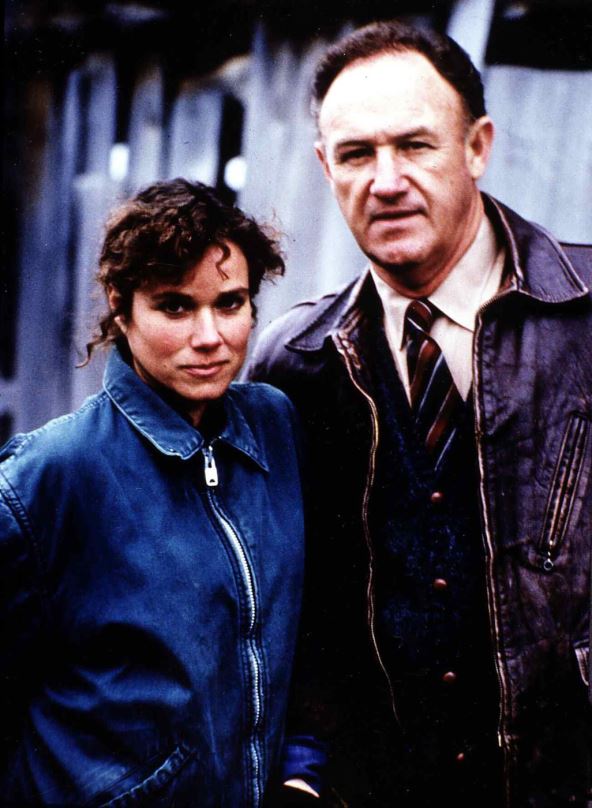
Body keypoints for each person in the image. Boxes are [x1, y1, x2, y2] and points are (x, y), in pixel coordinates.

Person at [246, 20, 592, 808]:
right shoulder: (292, 366)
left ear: (478, 147)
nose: (386, 180)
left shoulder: (584, 317)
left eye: (415, 146)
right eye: (356, 154)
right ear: (325, 166)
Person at [0, 178, 305, 807]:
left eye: (230, 303)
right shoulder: (48, 477)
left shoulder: (274, 426)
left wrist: (303, 771)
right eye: (175, 307)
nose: (209, 335)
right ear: (122, 307)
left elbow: (303, 635)